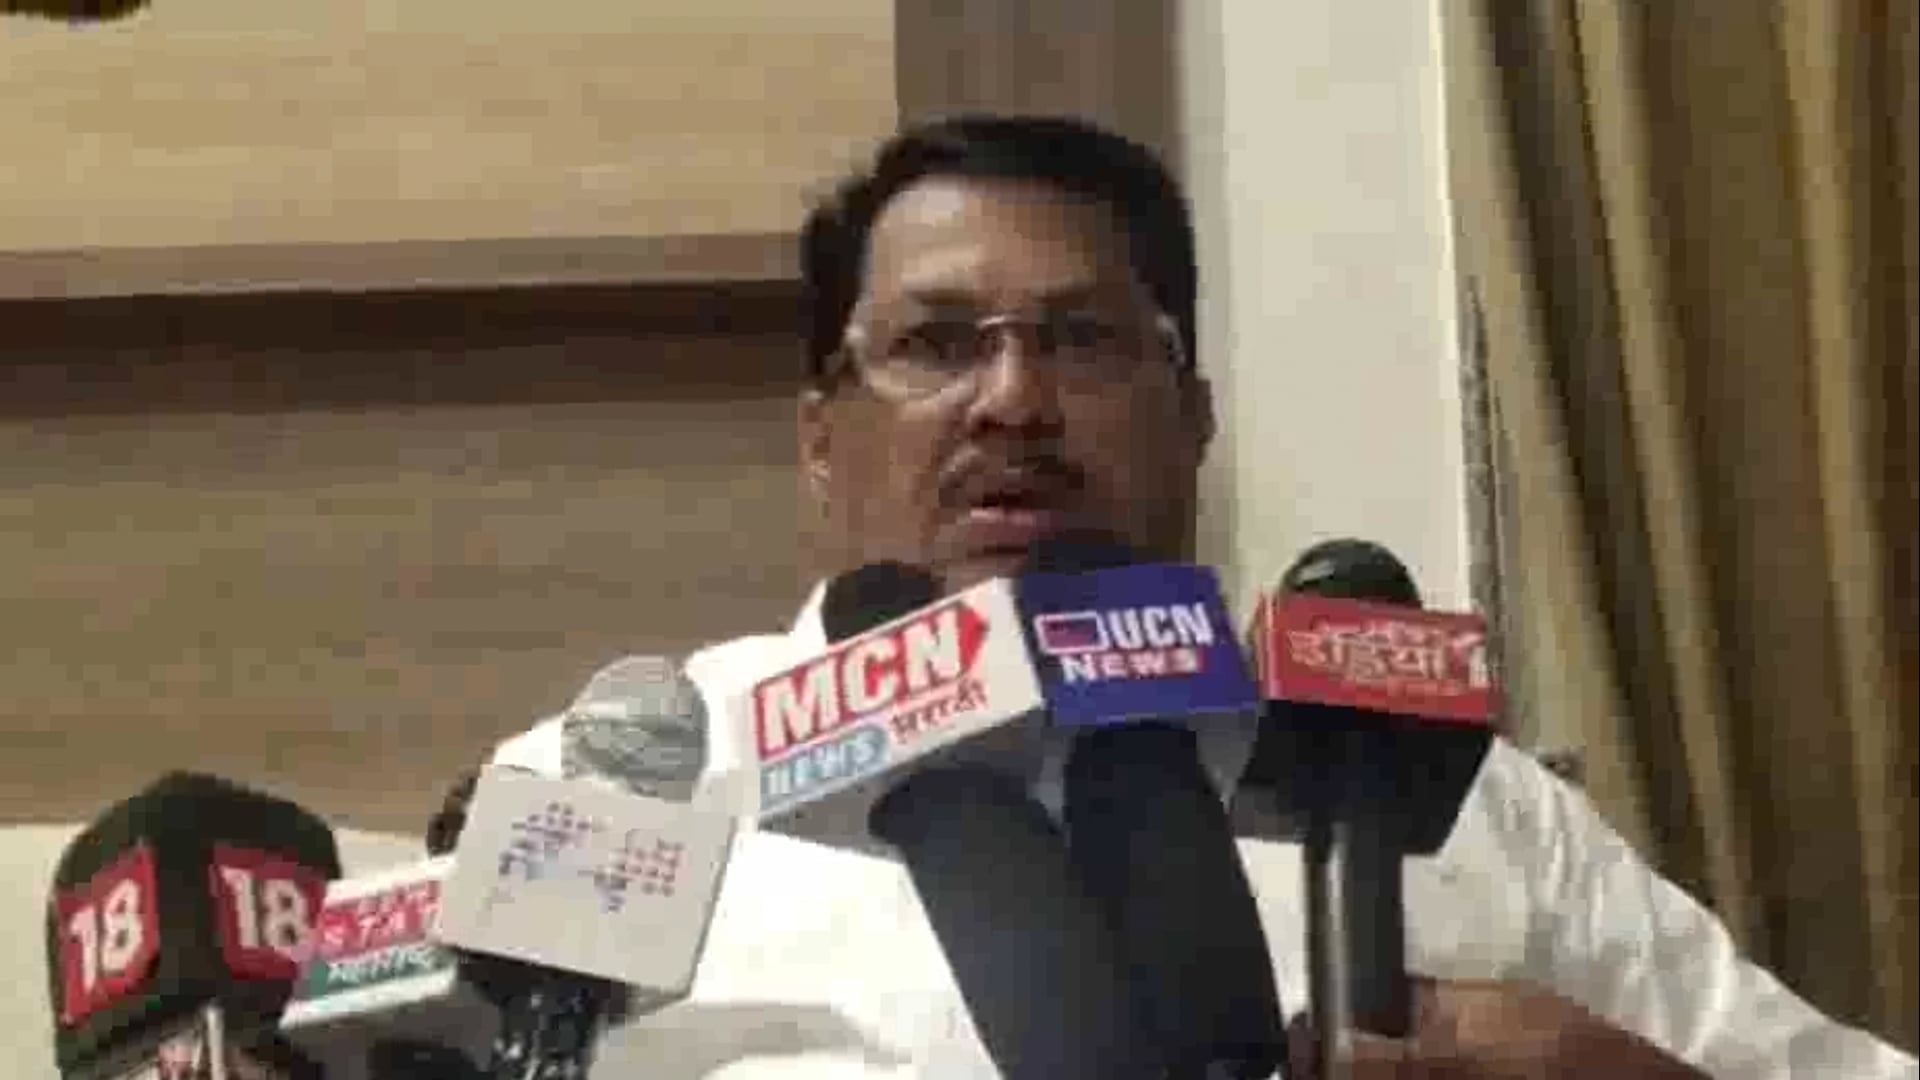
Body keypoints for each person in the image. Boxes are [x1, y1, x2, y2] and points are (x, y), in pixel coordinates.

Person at [486, 115, 1916, 1079]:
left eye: (1085, 340)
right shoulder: (611, 794)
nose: (1014, 399)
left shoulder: (1427, 786)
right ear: (821, 438)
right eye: (936, 343)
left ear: (1194, 419)